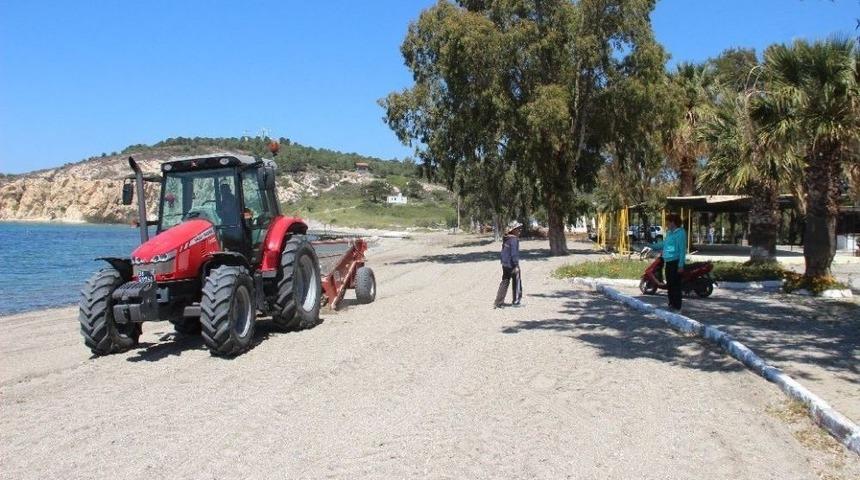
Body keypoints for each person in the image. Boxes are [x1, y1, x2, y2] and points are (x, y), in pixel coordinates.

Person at [648, 213, 686, 312]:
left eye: (668, 222)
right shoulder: (669, 233)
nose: (667, 224)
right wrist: (651, 245)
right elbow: (663, 244)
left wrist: (681, 265)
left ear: (673, 222)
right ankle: (671, 304)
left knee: (676, 286)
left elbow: (682, 250)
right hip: (668, 262)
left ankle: (677, 307)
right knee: (670, 284)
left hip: (676, 262)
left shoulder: (681, 233)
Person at [494, 221, 523, 308]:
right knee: (517, 282)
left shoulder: (506, 238)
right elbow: (514, 253)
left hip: (505, 264)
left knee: (505, 282)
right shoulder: (514, 240)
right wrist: (516, 265)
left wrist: (503, 262)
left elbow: (503, 251)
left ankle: (498, 302)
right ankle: (516, 301)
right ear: (513, 230)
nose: (519, 230)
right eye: (518, 229)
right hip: (512, 264)